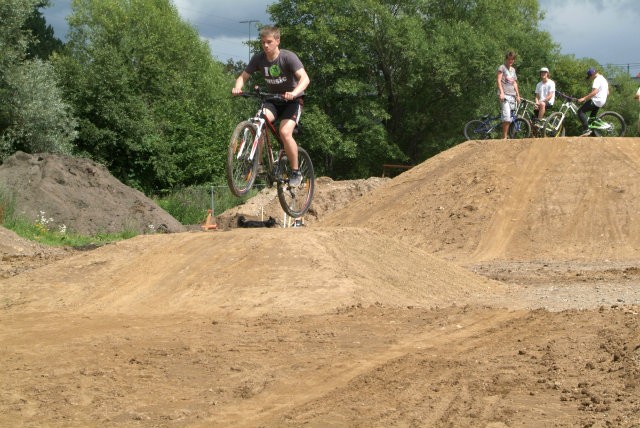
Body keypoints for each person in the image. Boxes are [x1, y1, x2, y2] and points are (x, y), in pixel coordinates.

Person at [232, 26, 310, 186]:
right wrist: (237, 87)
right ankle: (258, 164)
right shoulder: (259, 58)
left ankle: (296, 171)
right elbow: (243, 77)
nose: (265, 45)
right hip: (272, 100)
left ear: (277, 41)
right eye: (263, 42)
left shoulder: (288, 57)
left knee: (285, 133)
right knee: (258, 123)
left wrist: (294, 92)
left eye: (269, 42)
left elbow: (305, 79)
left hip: (292, 101)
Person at [577, 68, 608, 137]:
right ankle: (593, 134)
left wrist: (584, 98)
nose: (590, 79)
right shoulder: (603, 79)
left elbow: (594, 92)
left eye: (590, 77)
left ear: (592, 75)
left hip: (596, 100)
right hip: (602, 101)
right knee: (592, 119)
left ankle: (586, 130)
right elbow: (607, 92)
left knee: (580, 112)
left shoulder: (597, 80)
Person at [496, 51, 521, 139]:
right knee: (506, 117)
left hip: (512, 95)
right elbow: (498, 80)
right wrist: (501, 92)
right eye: (509, 59)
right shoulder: (502, 67)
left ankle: (508, 136)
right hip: (505, 95)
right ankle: (504, 137)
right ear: (506, 59)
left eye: (512, 59)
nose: (511, 61)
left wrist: (518, 95)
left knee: (511, 117)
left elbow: (514, 83)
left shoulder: (513, 70)